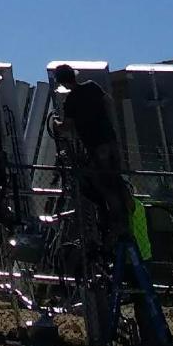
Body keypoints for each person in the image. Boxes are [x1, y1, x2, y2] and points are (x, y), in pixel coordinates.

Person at [51, 64, 130, 242]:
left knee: (105, 186)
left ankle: (118, 225)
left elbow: (67, 127)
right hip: (111, 141)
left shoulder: (70, 101)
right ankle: (127, 214)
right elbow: (108, 102)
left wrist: (56, 123)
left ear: (62, 83)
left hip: (96, 146)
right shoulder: (92, 86)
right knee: (116, 179)